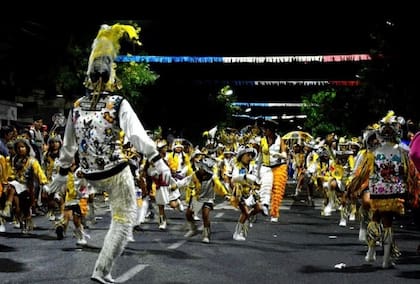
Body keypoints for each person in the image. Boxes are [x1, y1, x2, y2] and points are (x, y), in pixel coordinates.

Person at [48, 23, 171, 284]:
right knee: (124, 220)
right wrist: (158, 160)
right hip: (116, 173)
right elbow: (137, 136)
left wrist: (61, 173)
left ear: (90, 77)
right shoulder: (118, 103)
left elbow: (68, 144)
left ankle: (101, 268)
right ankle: (102, 270)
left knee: (116, 214)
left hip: (89, 173)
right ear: (110, 76)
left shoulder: (77, 106)